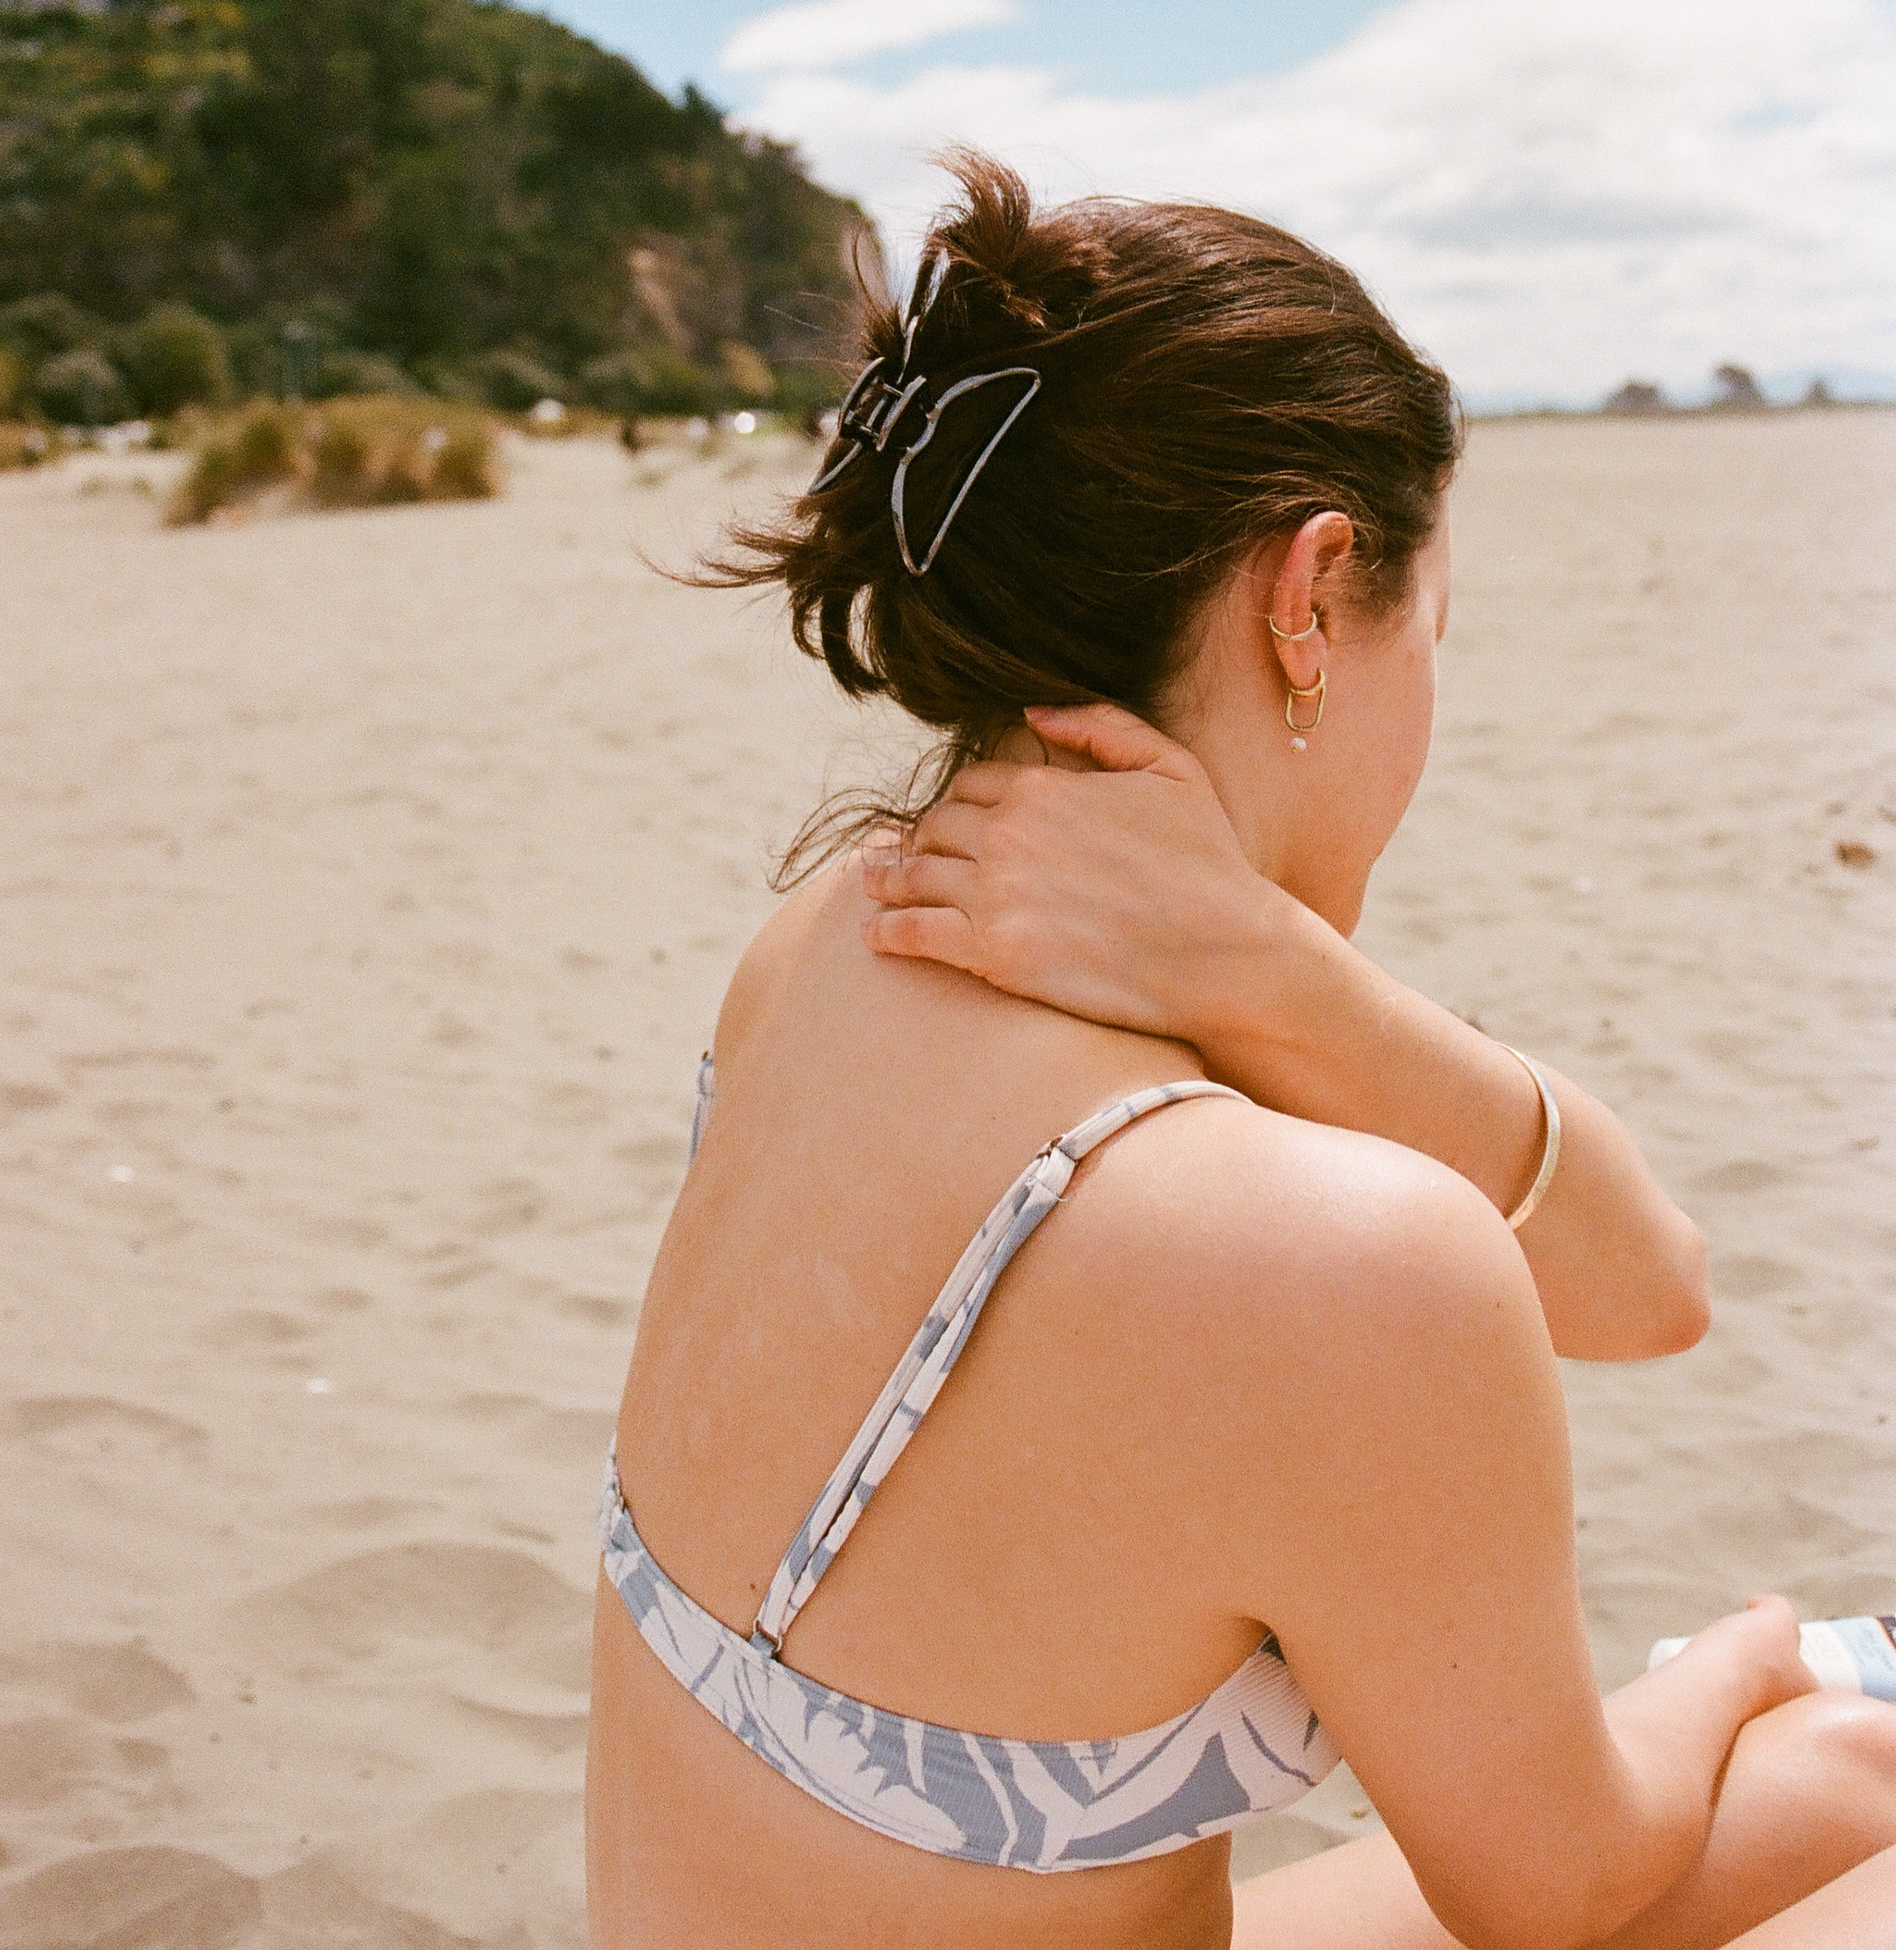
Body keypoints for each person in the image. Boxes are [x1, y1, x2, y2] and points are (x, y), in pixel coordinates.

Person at [586, 158, 1896, 1949]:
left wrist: (1280, 974)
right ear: (1314, 597)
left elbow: (1646, 1287)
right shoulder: (1312, 1249)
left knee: (1846, 1781)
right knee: (1845, 1762)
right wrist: (1745, 1657)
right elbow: (1560, 1887)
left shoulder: (815, 953)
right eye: (1433, 632)